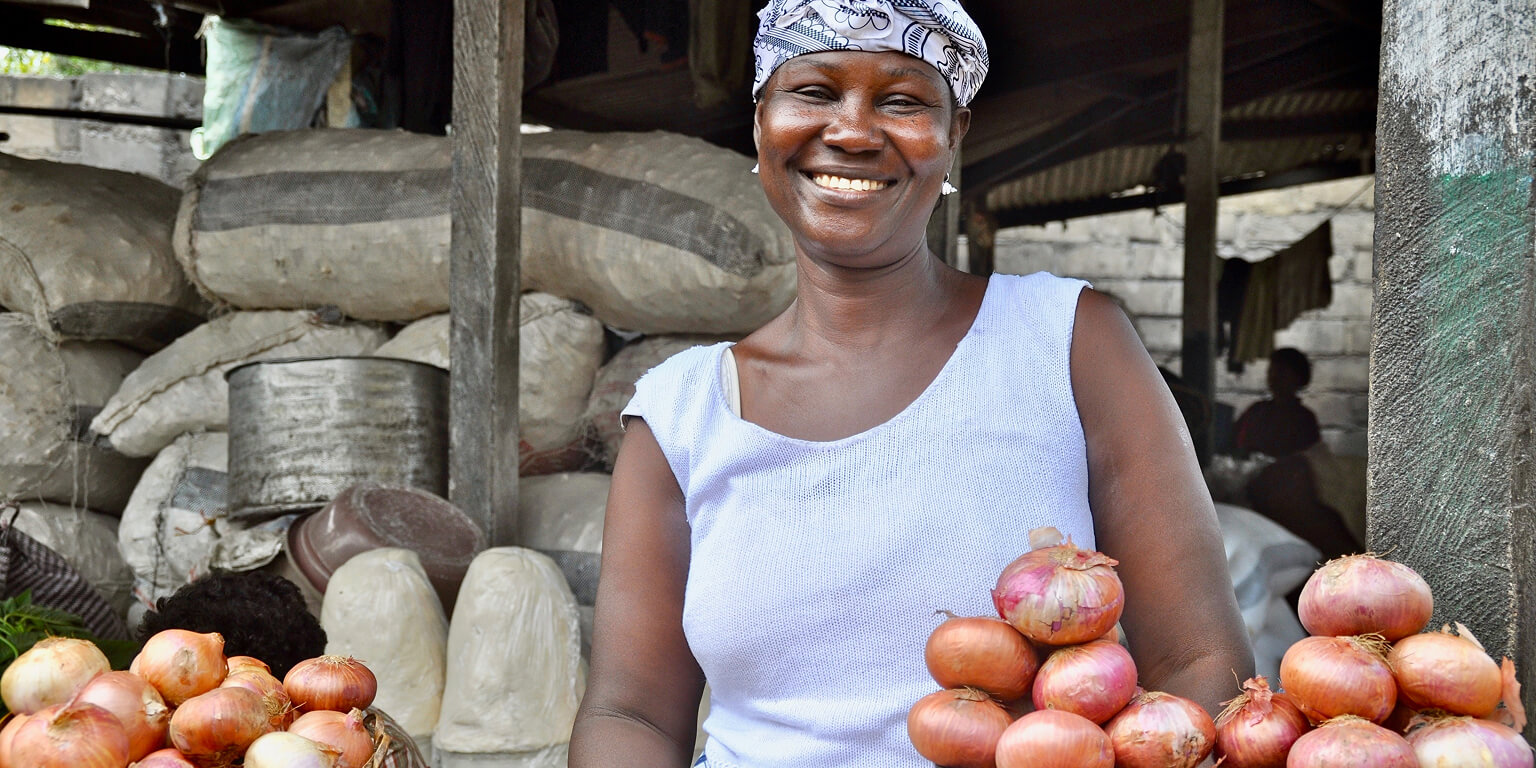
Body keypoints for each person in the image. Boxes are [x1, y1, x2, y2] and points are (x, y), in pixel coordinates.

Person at [569, 2, 1253, 765]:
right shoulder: (680, 414)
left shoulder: (1070, 343)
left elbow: (1199, 665)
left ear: (955, 135)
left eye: (902, 100)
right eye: (816, 93)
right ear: (761, 123)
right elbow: (630, 715)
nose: (855, 131)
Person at [1233, 347, 1322, 458]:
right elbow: (1235, 445)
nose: (1273, 377)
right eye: (1271, 371)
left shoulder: (1305, 419)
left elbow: (1311, 460)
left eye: (1281, 371)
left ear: (1298, 378)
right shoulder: (1256, 411)